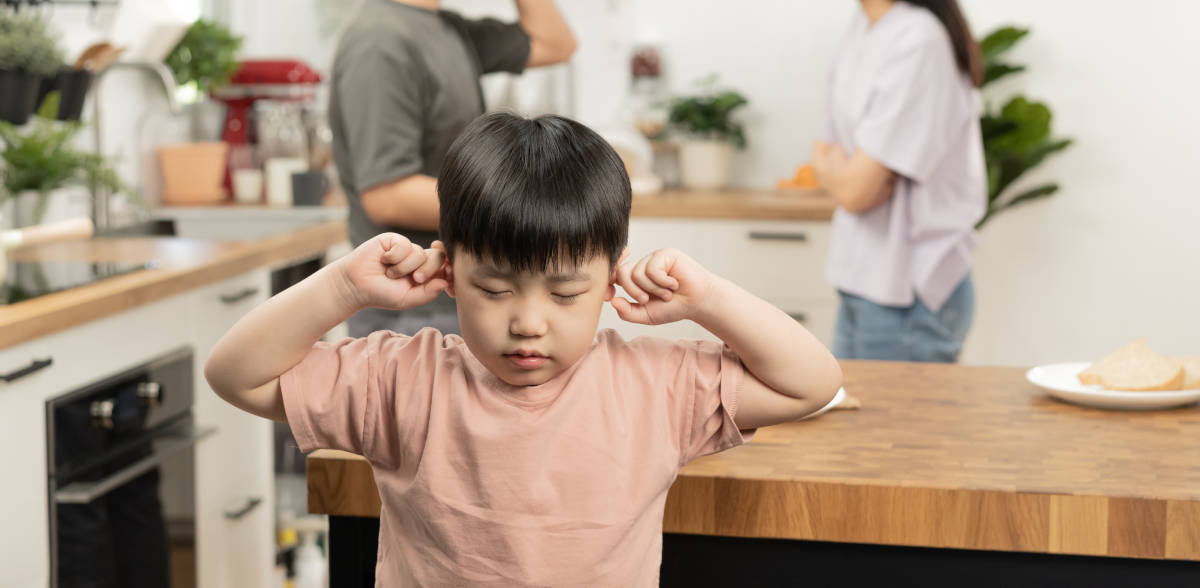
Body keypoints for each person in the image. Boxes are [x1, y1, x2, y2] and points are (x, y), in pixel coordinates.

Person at [205, 113, 842, 586]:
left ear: (612, 276)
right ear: (448, 272)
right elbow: (236, 375)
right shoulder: (403, 377)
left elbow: (809, 384)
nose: (528, 323)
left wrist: (706, 297)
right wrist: (343, 284)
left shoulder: (657, 384)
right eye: (495, 289)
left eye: (565, 294)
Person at [332, 0, 578, 337]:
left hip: (446, 298)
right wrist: (524, 203)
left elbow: (557, 42)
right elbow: (387, 193)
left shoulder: (445, 29)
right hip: (407, 310)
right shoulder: (381, 40)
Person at [812, 0, 987, 362]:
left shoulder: (919, 40)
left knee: (896, 441)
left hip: (908, 293)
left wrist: (848, 174)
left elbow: (856, 189)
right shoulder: (864, 30)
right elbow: (824, 155)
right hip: (863, 279)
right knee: (856, 435)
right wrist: (847, 172)